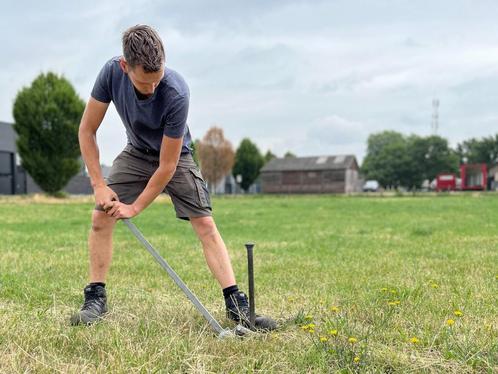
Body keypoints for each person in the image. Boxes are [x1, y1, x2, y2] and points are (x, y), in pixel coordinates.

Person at [71, 24, 276, 331]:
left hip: (176, 156)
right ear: (125, 67)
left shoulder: (176, 91)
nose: (152, 89)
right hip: (136, 152)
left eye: (157, 81)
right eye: (144, 83)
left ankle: (237, 306)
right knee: (101, 218)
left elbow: (166, 167)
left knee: (205, 224)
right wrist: (99, 185)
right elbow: (87, 130)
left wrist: (135, 208)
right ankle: (95, 298)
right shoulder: (110, 74)